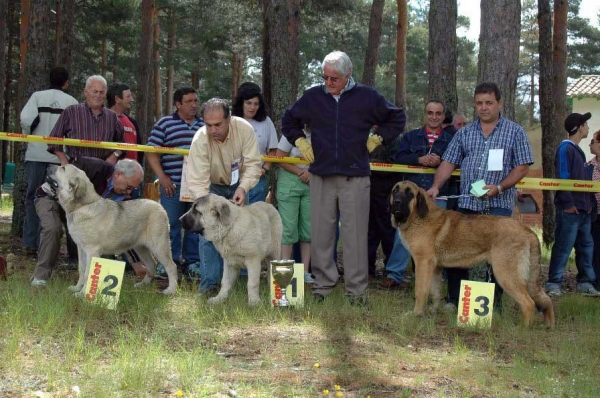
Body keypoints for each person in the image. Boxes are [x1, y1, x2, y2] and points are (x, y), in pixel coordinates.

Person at [281, 50, 406, 305]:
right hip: (321, 175)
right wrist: (300, 141)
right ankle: (322, 286)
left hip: (355, 176)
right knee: (321, 234)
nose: (328, 83)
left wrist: (378, 138)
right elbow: (289, 119)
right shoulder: (313, 96)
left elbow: (397, 117)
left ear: (348, 76)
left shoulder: (367, 97)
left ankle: (357, 291)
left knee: (355, 235)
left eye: (333, 78)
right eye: (325, 77)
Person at [426, 82, 534, 311]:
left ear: (499, 103)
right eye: (479, 103)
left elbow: (522, 167)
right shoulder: (464, 133)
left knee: (500, 259)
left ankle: (493, 306)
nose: (483, 108)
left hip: (498, 207)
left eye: (488, 103)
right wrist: (436, 186)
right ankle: (455, 302)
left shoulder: (515, 131)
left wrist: (500, 187)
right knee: (456, 254)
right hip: (467, 206)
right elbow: (448, 162)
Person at [186, 98, 262, 295]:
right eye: (208, 125)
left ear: (229, 119)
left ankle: (242, 286)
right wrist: (208, 207)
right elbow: (197, 179)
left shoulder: (244, 129)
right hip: (211, 188)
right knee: (208, 235)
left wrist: (243, 188)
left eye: (218, 124)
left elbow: (254, 165)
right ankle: (210, 285)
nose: (213, 130)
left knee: (245, 234)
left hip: (240, 184)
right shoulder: (200, 139)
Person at [31, 158, 143, 286]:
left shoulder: (129, 196)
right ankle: (40, 277)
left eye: (133, 189)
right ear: (118, 175)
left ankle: (93, 286)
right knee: (53, 228)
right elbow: (59, 180)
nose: (129, 192)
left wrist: (136, 263)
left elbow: (125, 229)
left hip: (78, 211)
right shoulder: (91, 167)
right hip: (51, 197)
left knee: (103, 248)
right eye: (128, 187)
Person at [383, 100, 454, 289]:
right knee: (403, 235)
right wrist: (419, 159)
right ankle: (394, 274)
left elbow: (458, 161)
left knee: (438, 239)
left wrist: (442, 161)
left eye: (438, 113)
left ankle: (436, 278)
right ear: (425, 114)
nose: (434, 117)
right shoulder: (411, 136)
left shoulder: (451, 139)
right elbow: (398, 158)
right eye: (430, 113)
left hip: (439, 195)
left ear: (443, 115)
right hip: (410, 198)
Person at [20, 66, 78, 254]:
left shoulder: (37, 96)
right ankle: (63, 247)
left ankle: (31, 242)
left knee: (33, 198)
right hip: (60, 158)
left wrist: (30, 134)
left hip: (36, 154)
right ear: (66, 82)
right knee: (64, 202)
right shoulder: (71, 102)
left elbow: (26, 119)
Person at [146, 87, 204, 277]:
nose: (194, 105)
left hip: (196, 186)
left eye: (196, 101)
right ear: (178, 104)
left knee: (195, 224)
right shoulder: (165, 124)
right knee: (170, 224)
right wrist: (162, 177)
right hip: (172, 185)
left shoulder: (204, 126)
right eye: (189, 101)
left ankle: (193, 263)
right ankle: (167, 263)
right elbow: (151, 151)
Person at [545, 113, 600, 297]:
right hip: (570, 210)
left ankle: (585, 283)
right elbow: (563, 176)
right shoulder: (565, 149)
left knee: (586, 246)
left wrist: (588, 203)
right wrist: (568, 203)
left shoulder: (578, 150)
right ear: (580, 127)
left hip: (583, 210)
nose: (588, 128)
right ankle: (554, 283)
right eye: (586, 124)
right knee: (563, 246)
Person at [46, 75, 125, 165]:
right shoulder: (71, 112)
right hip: (77, 168)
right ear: (85, 92)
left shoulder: (112, 117)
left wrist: (115, 155)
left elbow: (122, 144)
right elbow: (53, 139)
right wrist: (64, 160)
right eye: (95, 91)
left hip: (103, 170)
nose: (98, 95)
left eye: (102, 92)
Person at [276, 128, 313, 283]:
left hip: (312, 182)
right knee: (288, 228)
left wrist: (311, 171)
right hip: (289, 181)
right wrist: (300, 171)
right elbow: (280, 158)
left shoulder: (322, 131)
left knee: (308, 229)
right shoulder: (290, 132)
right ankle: (284, 271)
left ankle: (304, 272)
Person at [231, 82, 278, 203]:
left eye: (256, 104)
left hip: (257, 179)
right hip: (233, 177)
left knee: (255, 217)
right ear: (241, 103)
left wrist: (265, 169)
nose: (252, 107)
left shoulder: (266, 121)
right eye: (248, 103)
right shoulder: (230, 120)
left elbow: (273, 150)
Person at [367, 125, 402, 281]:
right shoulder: (366, 137)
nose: (375, 126)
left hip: (387, 193)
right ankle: (367, 269)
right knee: (369, 233)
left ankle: (391, 271)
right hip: (368, 191)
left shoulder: (395, 140)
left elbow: (392, 166)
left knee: (388, 232)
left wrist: (370, 161)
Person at [107, 82, 143, 162]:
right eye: (128, 96)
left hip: (133, 172)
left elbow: (140, 151)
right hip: (112, 172)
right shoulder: (103, 121)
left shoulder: (132, 122)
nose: (132, 99)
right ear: (117, 99)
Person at [588, 128, 600, 290]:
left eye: (593, 141)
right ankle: (596, 282)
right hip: (596, 214)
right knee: (596, 249)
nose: (590, 144)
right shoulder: (589, 165)